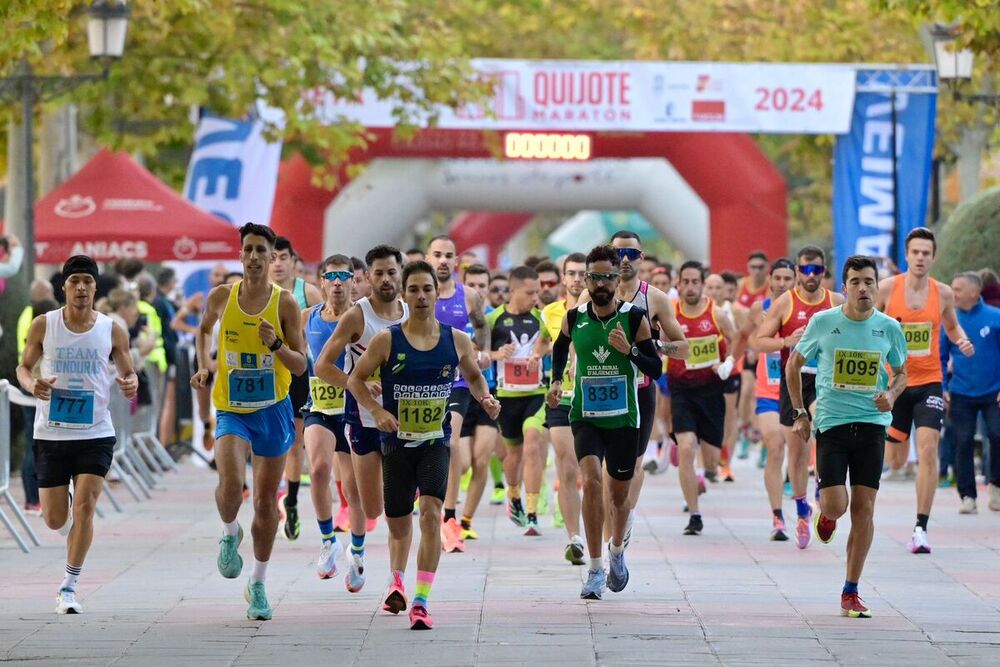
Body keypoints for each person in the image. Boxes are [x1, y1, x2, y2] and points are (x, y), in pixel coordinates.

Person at [347, 260, 499, 630]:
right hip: (396, 443)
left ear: (436, 293)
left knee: (431, 512)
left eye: (426, 289)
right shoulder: (387, 340)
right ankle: (396, 580)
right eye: (412, 290)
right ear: (404, 295)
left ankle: (421, 599)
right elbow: (355, 379)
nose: (420, 296)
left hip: (435, 440)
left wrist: (486, 399)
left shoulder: (456, 339)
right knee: (398, 523)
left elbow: (475, 377)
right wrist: (377, 410)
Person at [191, 223, 308, 621]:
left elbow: (301, 363)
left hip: (272, 409)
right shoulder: (221, 297)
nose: (255, 257)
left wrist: (275, 344)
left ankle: (257, 583)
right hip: (231, 407)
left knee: (263, 503)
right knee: (228, 483)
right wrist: (205, 365)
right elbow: (204, 330)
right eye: (249, 249)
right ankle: (228, 534)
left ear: (273, 257)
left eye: (262, 250)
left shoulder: (286, 303)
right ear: (240, 255)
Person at [16, 255, 139, 614]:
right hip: (52, 433)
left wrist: (129, 384)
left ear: (96, 286)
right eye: (74, 281)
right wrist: (31, 384)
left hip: (95, 432)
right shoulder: (44, 325)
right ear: (64, 287)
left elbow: (128, 373)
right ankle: (66, 522)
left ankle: (69, 586)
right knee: (55, 518)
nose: (81, 287)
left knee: (85, 507)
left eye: (87, 280)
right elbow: (23, 367)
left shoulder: (112, 329)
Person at [787, 255, 908, 618]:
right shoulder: (824, 322)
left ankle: (851, 590)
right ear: (844, 287)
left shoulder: (888, 328)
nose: (863, 288)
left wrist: (893, 394)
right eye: (855, 281)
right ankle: (826, 512)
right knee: (837, 505)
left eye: (869, 281)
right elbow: (794, 364)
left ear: (876, 286)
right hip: (833, 425)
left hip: (872, 423)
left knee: (865, 509)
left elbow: (902, 372)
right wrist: (799, 413)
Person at [548, 245, 663, 599]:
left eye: (607, 277)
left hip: (624, 419)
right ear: (586, 279)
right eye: (594, 276)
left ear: (618, 279)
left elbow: (655, 368)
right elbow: (558, 347)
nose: (601, 283)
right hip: (585, 416)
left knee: (618, 495)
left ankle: (616, 552)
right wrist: (555, 382)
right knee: (592, 482)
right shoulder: (574, 317)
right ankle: (595, 569)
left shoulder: (633, 319)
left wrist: (630, 350)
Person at [876, 227, 973, 553]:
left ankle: (920, 527)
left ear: (933, 257)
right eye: (915, 252)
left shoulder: (942, 293)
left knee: (929, 448)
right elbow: (867, 322)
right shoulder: (888, 289)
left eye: (926, 253)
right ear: (907, 255)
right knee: (897, 459)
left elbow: (951, 324)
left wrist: (961, 339)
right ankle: (896, 448)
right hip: (896, 383)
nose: (920, 258)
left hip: (930, 380)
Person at [315, 245, 409, 557]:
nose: (385, 279)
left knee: (400, 509)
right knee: (372, 509)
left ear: (400, 275)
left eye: (391, 272)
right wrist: (363, 389)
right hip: (364, 418)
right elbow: (323, 367)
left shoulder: (411, 314)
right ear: (366, 277)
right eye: (378, 273)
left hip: (406, 420)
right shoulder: (357, 316)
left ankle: (399, 576)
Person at [750, 245, 843, 549]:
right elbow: (759, 341)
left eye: (817, 270)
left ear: (824, 271)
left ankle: (824, 492)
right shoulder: (785, 304)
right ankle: (803, 509)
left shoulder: (836, 303)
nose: (811, 275)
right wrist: (785, 341)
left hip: (827, 382)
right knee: (797, 452)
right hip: (794, 381)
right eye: (806, 269)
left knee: (822, 429)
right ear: (799, 271)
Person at [301, 255, 365, 587]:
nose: (338, 282)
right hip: (320, 408)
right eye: (331, 277)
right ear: (321, 282)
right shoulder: (306, 318)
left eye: (344, 276)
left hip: (354, 411)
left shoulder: (364, 317)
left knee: (353, 489)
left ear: (354, 281)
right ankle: (328, 542)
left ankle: (357, 552)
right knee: (318, 469)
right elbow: (295, 360)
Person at [425, 235, 489, 553]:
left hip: (458, 382)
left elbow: (481, 326)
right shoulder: (416, 296)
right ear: (427, 258)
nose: (442, 261)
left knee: (449, 441)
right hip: (422, 384)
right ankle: (429, 507)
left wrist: (483, 350)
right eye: (437, 254)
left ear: (456, 261)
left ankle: (449, 518)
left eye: (448, 255)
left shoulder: (470, 296)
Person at [668, 261, 738, 535]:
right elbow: (657, 343)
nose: (690, 287)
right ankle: (694, 514)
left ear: (702, 283)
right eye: (685, 281)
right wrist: (671, 349)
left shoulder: (717, 313)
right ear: (679, 284)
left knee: (710, 462)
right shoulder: (670, 313)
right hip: (681, 389)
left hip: (711, 390)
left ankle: (700, 472)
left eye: (695, 281)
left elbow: (735, 340)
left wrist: (728, 363)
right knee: (687, 447)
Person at [486, 266, 549, 533]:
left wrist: (540, 353)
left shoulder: (541, 317)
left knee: (533, 441)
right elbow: (475, 351)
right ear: (512, 291)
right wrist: (497, 354)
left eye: (537, 292)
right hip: (506, 396)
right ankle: (514, 496)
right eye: (530, 292)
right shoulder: (494, 320)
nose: (536, 297)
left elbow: (556, 342)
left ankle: (533, 512)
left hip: (536, 394)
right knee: (513, 454)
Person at [738, 258, 796, 539]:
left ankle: (806, 499)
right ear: (770, 280)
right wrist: (732, 360)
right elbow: (744, 336)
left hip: (798, 391)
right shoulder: (758, 309)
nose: (783, 283)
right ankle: (778, 516)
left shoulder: (806, 311)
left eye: (788, 278)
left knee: (800, 451)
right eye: (779, 278)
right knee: (776, 445)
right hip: (769, 391)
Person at [270, 236, 323, 541]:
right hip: (267, 375)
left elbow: (327, 328)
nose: (277, 263)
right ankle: (271, 493)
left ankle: (289, 500)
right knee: (267, 441)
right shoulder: (256, 292)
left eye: (282, 258)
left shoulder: (309, 292)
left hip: (300, 374)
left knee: (294, 443)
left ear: (293, 262)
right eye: (272, 257)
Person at [536, 252, 587, 562]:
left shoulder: (600, 312)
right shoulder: (550, 313)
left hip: (594, 399)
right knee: (566, 464)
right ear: (563, 278)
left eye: (583, 273)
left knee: (593, 473)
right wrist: (534, 357)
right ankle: (574, 537)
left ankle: (603, 538)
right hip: (560, 398)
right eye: (572, 273)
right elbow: (544, 341)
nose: (578, 278)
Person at [941, 272, 1000, 513]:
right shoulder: (949, 321)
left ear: (974, 293)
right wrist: (943, 387)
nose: (952, 293)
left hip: (993, 392)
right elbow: (941, 356)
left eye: (957, 289)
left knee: (997, 436)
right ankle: (968, 496)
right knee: (962, 441)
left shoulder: (995, 317)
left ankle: (996, 485)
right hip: (961, 393)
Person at [456, 264, 502, 539]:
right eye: (473, 284)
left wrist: (491, 355)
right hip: (461, 390)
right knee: (460, 462)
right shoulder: (457, 316)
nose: (479, 290)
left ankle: (465, 520)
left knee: (481, 459)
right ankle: (448, 511)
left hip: (488, 391)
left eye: (483, 285)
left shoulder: (495, 318)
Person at [152, 268, 181, 445]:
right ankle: (161, 444)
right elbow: (165, 330)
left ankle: (162, 444)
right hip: (163, 358)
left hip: (166, 357)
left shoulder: (164, 302)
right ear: (169, 282)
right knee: (165, 404)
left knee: (166, 404)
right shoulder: (160, 303)